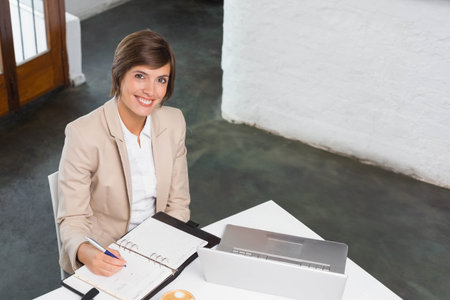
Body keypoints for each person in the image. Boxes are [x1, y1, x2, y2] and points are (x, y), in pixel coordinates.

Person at [57, 29, 190, 276]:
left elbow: (178, 203)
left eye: (161, 79)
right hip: (107, 255)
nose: (151, 91)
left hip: (158, 248)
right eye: (140, 76)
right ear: (119, 75)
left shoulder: (174, 122)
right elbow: (72, 219)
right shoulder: (82, 134)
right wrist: (89, 253)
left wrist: (166, 246)